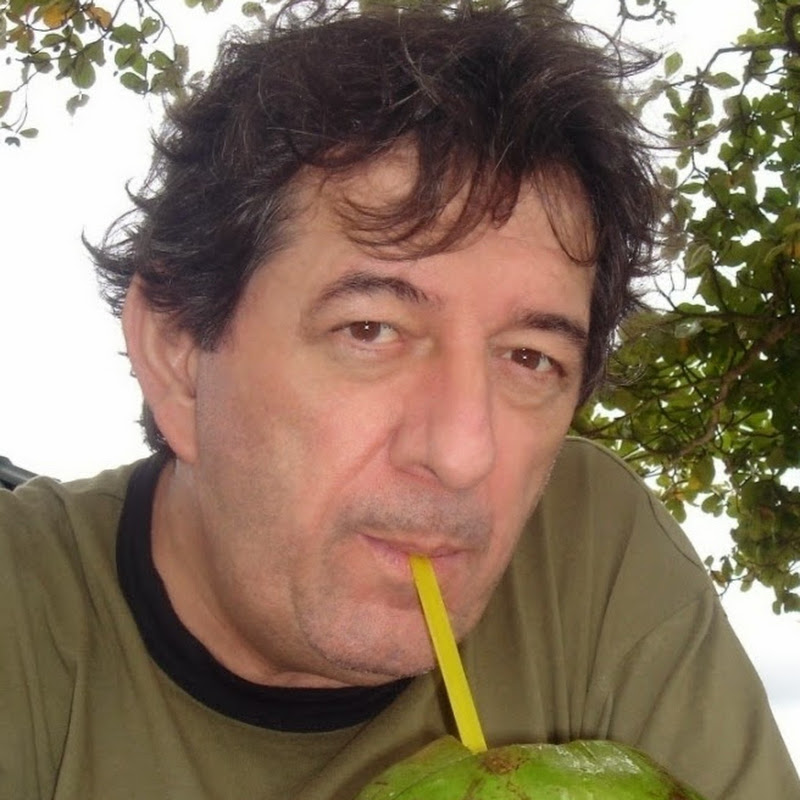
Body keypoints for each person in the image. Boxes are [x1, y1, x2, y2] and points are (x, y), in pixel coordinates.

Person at [1, 1, 797, 798]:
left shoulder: (592, 550)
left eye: (530, 357)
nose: (462, 453)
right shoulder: (23, 612)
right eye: (370, 330)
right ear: (177, 353)